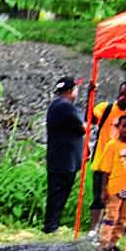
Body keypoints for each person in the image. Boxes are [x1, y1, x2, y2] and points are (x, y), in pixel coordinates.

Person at [91, 99, 126, 251]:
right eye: (124, 126)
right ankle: (103, 243)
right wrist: (104, 190)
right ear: (118, 128)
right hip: (114, 188)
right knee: (111, 216)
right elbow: (105, 170)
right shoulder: (112, 146)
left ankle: (113, 243)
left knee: (123, 218)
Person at [42, 76, 84, 234]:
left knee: (56, 192)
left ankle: (52, 224)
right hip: (65, 159)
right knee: (59, 192)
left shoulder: (56, 105)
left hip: (59, 157)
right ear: (69, 91)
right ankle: (51, 225)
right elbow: (81, 127)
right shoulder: (65, 107)